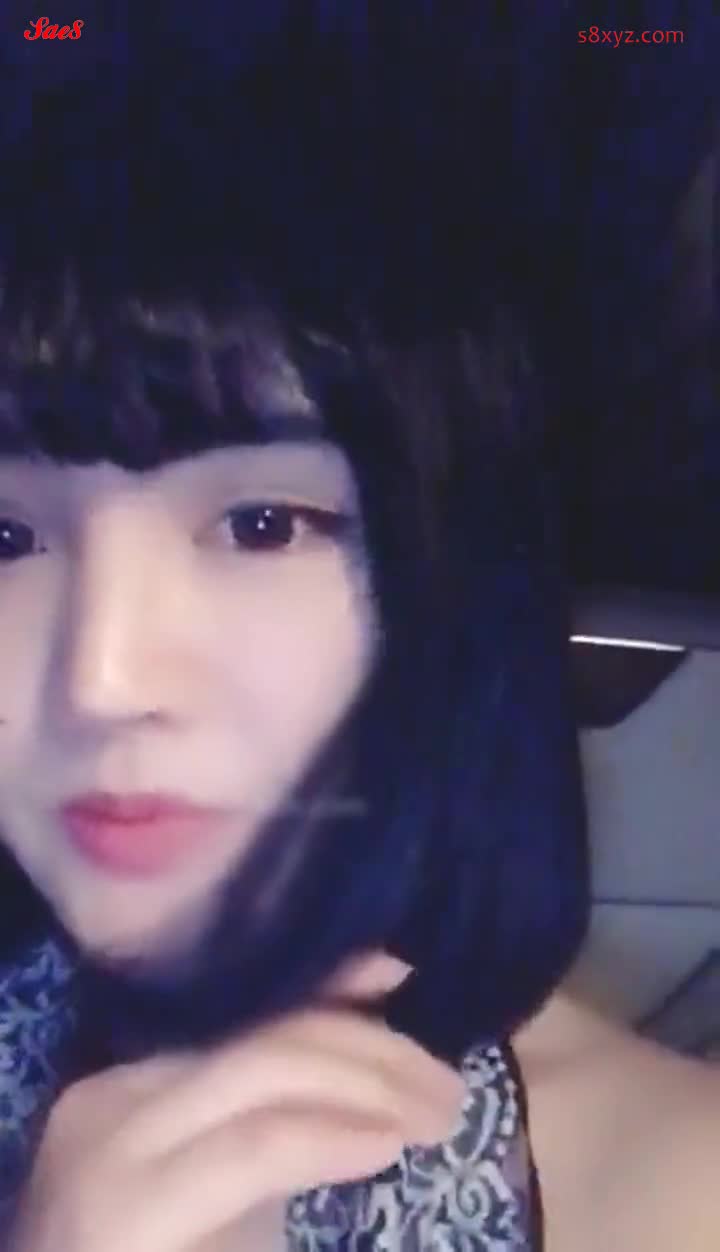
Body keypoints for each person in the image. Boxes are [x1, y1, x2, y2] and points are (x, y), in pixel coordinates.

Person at [0, 5, 718, 1250]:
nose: (104, 677)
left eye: (262, 525)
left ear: (454, 580)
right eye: (5, 538)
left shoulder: (674, 1193)